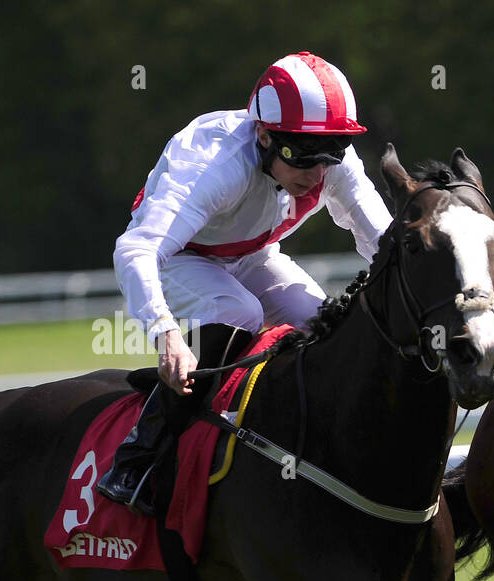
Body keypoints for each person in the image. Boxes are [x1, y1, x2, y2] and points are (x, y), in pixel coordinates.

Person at [98, 51, 393, 513]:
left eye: (330, 153)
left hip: (252, 255)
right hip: (180, 257)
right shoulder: (215, 165)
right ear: (263, 133)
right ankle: (139, 456)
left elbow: (382, 241)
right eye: (302, 155)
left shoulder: (330, 157)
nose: (318, 172)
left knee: (323, 325)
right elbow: (136, 250)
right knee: (238, 312)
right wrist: (167, 335)